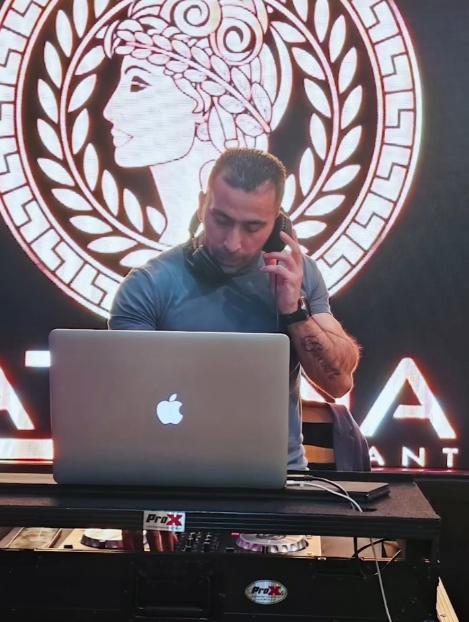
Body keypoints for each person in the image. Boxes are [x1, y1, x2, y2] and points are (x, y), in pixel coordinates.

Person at [109, 147, 360, 549]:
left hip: (277, 483)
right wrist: (141, 493)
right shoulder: (148, 285)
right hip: (170, 486)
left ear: (278, 225)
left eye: (253, 227)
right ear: (202, 204)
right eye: (221, 219)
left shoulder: (299, 276)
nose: (232, 242)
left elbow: (338, 382)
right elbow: (122, 405)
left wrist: (293, 311)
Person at [102, 0, 289, 247]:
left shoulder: (289, 269)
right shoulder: (152, 271)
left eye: (138, 84)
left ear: (201, 101)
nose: (108, 110)